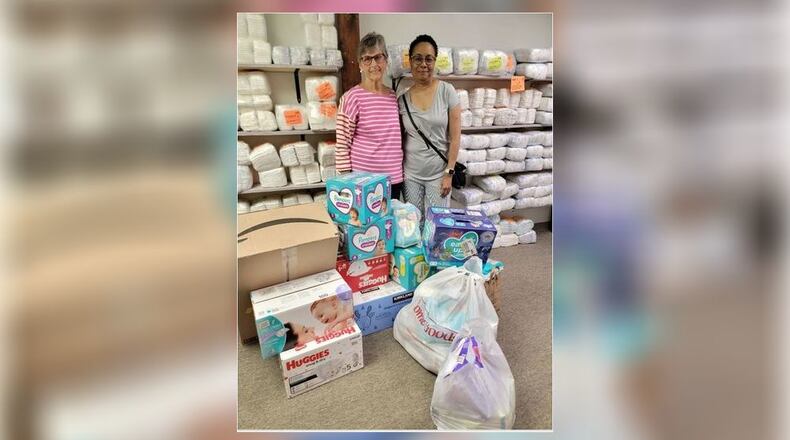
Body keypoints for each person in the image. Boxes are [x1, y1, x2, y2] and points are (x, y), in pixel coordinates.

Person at [335, 32, 404, 200]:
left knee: (390, 224)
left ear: (386, 60)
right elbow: (342, 144)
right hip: (363, 182)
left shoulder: (394, 97)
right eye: (367, 58)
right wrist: (346, 182)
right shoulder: (351, 98)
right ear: (360, 64)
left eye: (378, 57)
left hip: (393, 179)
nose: (374, 64)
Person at [398, 34, 461, 219]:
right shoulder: (402, 99)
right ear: (410, 61)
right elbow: (400, 139)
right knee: (414, 225)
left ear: (434, 61)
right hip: (411, 175)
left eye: (428, 58)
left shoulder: (446, 91)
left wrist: (449, 172)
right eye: (418, 58)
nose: (423, 64)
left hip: (439, 174)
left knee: (437, 224)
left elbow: (455, 137)